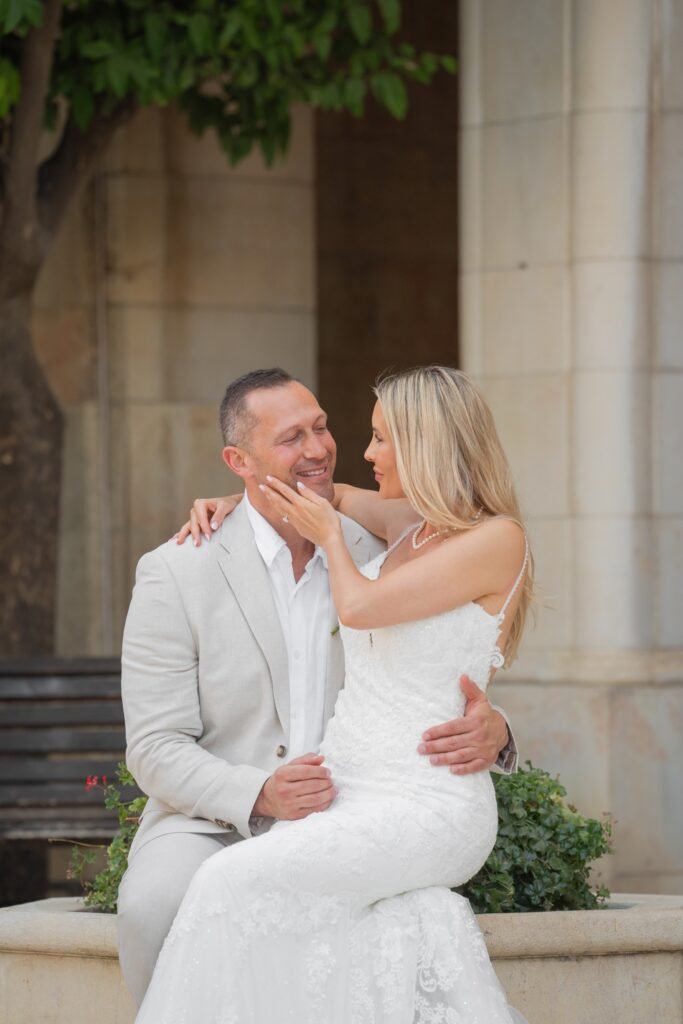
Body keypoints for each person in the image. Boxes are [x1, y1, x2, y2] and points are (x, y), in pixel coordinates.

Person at [133, 365, 532, 1023]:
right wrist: (245, 499)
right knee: (201, 897)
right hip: (323, 794)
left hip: (417, 798)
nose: (340, 449)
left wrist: (499, 729)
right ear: (241, 459)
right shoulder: (400, 522)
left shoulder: (468, 537)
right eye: (297, 436)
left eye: (370, 437)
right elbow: (151, 745)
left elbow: (374, 613)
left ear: (423, 443)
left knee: (231, 886)